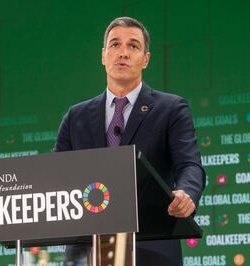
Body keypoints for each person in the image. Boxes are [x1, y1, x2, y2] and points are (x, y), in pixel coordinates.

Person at [54, 16, 205, 266]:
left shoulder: (171, 109)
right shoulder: (75, 116)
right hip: (86, 252)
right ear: (103, 56)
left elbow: (189, 164)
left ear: (145, 59)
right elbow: (56, 176)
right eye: (115, 45)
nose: (122, 53)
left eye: (133, 46)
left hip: (151, 247)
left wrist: (187, 192)